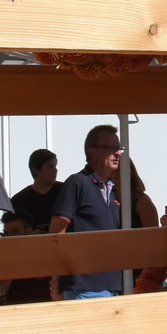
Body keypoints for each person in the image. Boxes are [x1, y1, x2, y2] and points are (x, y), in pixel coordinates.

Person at [48, 125, 125, 299]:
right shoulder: (77, 183)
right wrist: (57, 279)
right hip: (82, 286)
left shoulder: (112, 189)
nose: (118, 153)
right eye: (110, 148)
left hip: (112, 284)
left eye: (118, 148)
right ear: (93, 152)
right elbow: (56, 234)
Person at [0, 211, 52, 305]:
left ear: (29, 231)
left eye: (15, 231)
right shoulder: (6, 257)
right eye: (7, 233)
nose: (10, 237)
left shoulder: (42, 254)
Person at [11, 149, 62, 233]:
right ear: (36, 169)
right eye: (50, 166)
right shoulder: (18, 201)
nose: (55, 170)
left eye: (55, 166)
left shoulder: (65, 191)